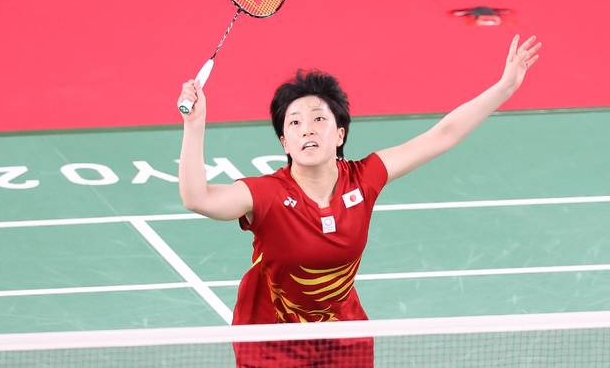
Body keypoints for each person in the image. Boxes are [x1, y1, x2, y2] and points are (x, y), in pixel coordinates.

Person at [177, 34, 541, 367]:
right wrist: (195, 124)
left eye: (319, 119)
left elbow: (441, 136)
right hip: (272, 337)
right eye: (294, 123)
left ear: (339, 134)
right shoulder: (268, 194)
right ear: (285, 143)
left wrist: (504, 88)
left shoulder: (363, 180)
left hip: (342, 337)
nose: (307, 129)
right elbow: (198, 198)